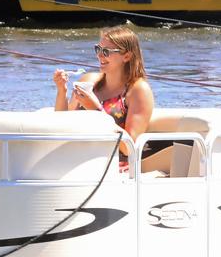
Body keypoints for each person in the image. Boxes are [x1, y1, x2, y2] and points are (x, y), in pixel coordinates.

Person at [52, 25, 169, 174]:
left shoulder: (138, 90)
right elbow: (62, 125)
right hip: (76, 159)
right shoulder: (89, 81)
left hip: (112, 167)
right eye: (98, 49)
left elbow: (129, 147)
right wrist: (62, 91)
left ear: (126, 56)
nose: (100, 56)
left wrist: (96, 110)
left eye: (106, 51)